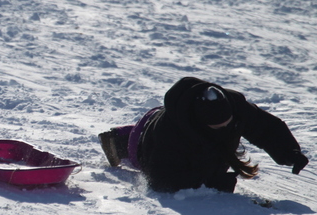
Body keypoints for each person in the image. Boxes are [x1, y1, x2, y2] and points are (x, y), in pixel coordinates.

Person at [98, 76, 308, 193]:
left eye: (229, 124)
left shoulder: (236, 106)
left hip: (190, 139)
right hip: (145, 139)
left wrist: (290, 152)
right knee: (136, 148)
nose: (225, 129)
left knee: (206, 153)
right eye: (217, 126)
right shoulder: (170, 131)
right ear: (200, 122)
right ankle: (117, 140)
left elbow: (266, 127)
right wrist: (212, 182)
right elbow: (161, 179)